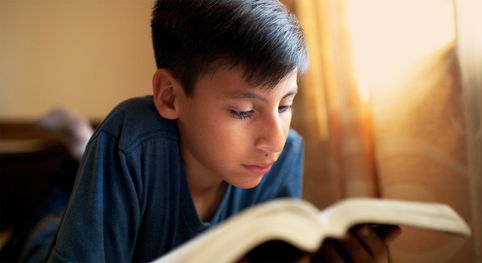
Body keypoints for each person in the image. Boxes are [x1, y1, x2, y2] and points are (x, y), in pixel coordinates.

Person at [12, 0, 399, 262]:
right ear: (169, 96)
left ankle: (81, 152)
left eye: (285, 105)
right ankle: (79, 148)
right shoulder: (129, 138)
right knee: (49, 217)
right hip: (45, 244)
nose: (275, 139)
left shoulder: (286, 154)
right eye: (243, 111)